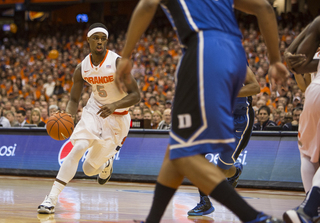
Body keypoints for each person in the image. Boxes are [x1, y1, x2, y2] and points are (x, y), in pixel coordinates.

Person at [116, 0, 288, 222]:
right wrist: (274, 60)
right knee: (177, 148)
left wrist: (127, 55)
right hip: (235, 55)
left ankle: (255, 217)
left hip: (203, 50)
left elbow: (148, 5)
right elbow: (264, 7)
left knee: (185, 153)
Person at [37, 23, 140, 214]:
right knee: (78, 147)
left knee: (89, 169)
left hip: (118, 117)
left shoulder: (117, 63)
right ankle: (50, 198)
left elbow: (136, 95)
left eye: (103, 38)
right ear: (89, 40)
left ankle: (106, 164)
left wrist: (115, 105)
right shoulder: (82, 67)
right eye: (96, 38)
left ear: (106, 41)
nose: (100, 41)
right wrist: (68, 116)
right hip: (95, 109)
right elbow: (74, 99)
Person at [187, 66, 260, 216]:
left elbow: (255, 87)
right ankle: (204, 202)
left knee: (222, 170)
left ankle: (234, 171)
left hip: (238, 121)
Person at [283, 17, 320, 223]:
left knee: (306, 154)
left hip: (314, 94)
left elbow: (293, 60)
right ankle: (310, 207)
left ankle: (309, 204)